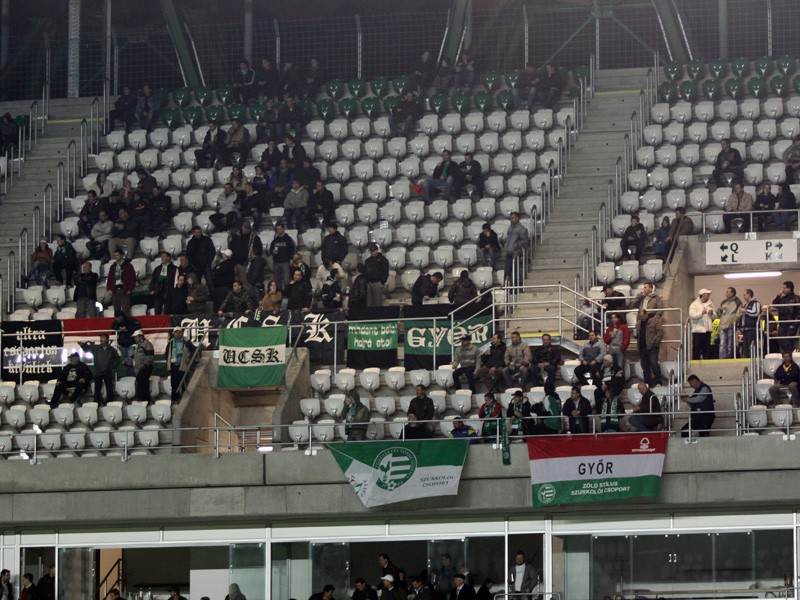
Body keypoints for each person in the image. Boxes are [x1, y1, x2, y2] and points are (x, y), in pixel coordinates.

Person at [635, 282, 664, 386]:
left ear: (651, 288)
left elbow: (660, 309)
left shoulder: (656, 298)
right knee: (645, 366)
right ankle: (648, 383)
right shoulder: (639, 323)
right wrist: (638, 297)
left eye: (645, 287)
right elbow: (633, 305)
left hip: (652, 345)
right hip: (642, 346)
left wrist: (656, 318)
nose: (644, 289)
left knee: (654, 363)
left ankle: (658, 381)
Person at [79, 333, 119, 406]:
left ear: (107, 339)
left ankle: (109, 403)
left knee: (109, 388)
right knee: (97, 389)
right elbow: (87, 348)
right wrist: (82, 345)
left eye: (102, 337)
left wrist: (111, 367)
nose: (101, 339)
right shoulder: (97, 348)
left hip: (106, 371)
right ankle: (97, 403)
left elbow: (117, 360)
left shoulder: (111, 350)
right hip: (99, 371)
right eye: (101, 337)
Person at [768, 281, 800, 353]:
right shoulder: (782, 298)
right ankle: (790, 351)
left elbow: (799, 311)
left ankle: (789, 352)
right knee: (780, 338)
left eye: (784, 288)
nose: (783, 290)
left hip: (792, 323)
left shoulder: (796, 298)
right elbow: (774, 304)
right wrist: (778, 296)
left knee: (789, 338)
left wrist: (795, 322)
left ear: (789, 288)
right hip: (782, 323)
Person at [166, 327, 196, 403]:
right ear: (173, 334)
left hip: (183, 365)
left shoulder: (187, 341)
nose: (177, 334)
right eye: (176, 332)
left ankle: (183, 400)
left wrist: (189, 359)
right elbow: (166, 353)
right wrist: (168, 362)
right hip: (174, 365)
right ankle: (174, 399)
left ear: (182, 333)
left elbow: (193, 351)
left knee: (183, 383)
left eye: (179, 332)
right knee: (174, 383)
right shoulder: (171, 342)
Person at [106, 247, 136, 315]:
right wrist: (109, 288)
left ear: (122, 255)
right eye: (115, 255)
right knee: (116, 310)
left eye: (117, 255)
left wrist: (130, 289)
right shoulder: (113, 266)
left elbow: (132, 278)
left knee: (126, 309)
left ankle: (126, 321)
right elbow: (110, 278)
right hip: (115, 289)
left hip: (124, 288)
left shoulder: (128, 265)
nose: (116, 257)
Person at [128, 330, 155, 403]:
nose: (135, 339)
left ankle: (145, 400)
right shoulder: (137, 346)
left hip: (146, 367)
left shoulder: (147, 344)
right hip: (139, 368)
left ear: (140, 337)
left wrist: (144, 365)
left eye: (136, 337)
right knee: (141, 384)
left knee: (143, 384)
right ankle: (142, 399)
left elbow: (150, 356)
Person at [689, 288, 715, 360]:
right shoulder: (694, 304)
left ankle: (706, 364)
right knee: (696, 349)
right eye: (707, 294)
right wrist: (701, 313)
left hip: (707, 330)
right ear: (702, 295)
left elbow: (715, 316)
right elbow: (692, 315)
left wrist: (712, 314)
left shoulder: (710, 304)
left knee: (707, 349)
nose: (709, 295)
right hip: (698, 330)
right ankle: (695, 364)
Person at [504, 212, 529, 286]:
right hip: (508, 251)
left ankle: (515, 284)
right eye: (511, 218)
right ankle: (507, 284)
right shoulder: (510, 228)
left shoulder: (522, 229)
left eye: (513, 218)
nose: (511, 219)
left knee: (513, 270)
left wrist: (516, 245)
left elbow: (524, 240)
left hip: (515, 252)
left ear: (517, 218)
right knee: (507, 270)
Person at [717, 287, 742, 359]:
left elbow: (739, 313)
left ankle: (729, 359)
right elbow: (719, 315)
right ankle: (722, 359)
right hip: (722, 326)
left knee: (730, 345)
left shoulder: (738, 302)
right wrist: (720, 310)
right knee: (722, 344)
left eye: (728, 292)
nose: (726, 294)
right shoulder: (723, 302)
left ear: (732, 293)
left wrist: (734, 320)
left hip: (731, 326)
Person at [270, 223, 296, 290]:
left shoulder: (288, 239)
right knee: (276, 280)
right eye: (277, 229)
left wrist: (291, 258)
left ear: (283, 229)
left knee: (286, 280)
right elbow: (271, 250)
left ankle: (287, 293)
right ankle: (279, 293)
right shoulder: (275, 240)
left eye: (279, 229)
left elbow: (292, 249)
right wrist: (272, 252)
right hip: (276, 262)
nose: (278, 230)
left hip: (286, 262)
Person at [739, 289, 762, 358]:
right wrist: (741, 327)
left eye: (744, 295)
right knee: (745, 348)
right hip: (745, 329)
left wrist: (745, 311)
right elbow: (743, 317)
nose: (743, 296)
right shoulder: (746, 305)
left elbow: (756, 313)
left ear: (749, 295)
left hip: (752, 329)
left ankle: (753, 359)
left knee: (751, 346)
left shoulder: (756, 303)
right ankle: (747, 359)